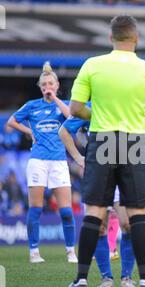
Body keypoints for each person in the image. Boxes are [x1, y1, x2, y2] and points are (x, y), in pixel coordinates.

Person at [66, 14, 145, 287]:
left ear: (110, 38)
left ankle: (80, 281)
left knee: (94, 212)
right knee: (137, 214)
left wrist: (97, 114)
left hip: (102, 139)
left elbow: (75, 108)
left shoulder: (92, 64)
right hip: (134, 141)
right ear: (136, 38)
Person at [59, 111, 145, 287]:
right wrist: (78, 157)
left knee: (128, 224)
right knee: (99, 227)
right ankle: (106, 277)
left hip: (125, 171)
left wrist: (142, 156)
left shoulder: (132, 103)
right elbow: (64, 130)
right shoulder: (90, 106)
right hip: (100, 171)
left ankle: (127, 277)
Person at [7, 62, 78, 264]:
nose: (47, 87)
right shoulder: (32, 106)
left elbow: (71, 118)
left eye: (50, 84)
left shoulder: (62, 104)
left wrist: (54, 99)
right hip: (37, 160)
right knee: (36, 208)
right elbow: (11, 121)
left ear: (56, 86)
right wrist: (29, 132)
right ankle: (34, 252)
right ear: (40, 87)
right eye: (44, 84)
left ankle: (71, 251)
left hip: (59, 161)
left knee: (66, 210)